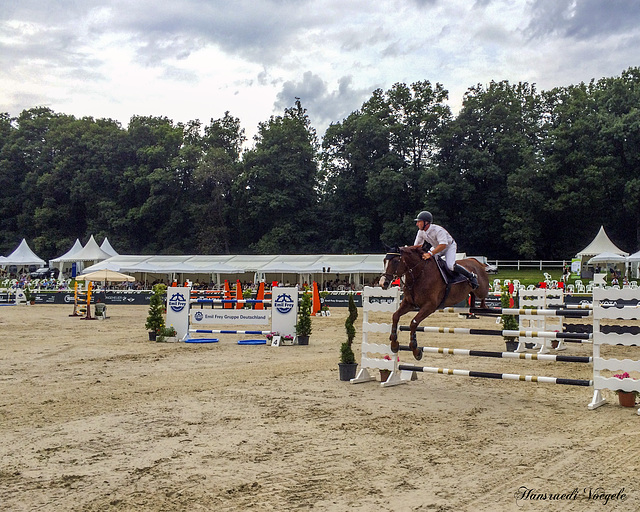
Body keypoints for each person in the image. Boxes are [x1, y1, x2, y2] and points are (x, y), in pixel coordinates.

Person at [413, 211, 478, 289]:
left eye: (419, 222)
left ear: (426, 222)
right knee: (429, 263)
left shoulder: (438, 230)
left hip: (449, 247)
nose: (417, 224)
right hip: (437, 247)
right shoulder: (421, 232)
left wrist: (430, 253)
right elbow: (416, 246)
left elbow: (443, 245)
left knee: (450, 266)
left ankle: (471, 276)